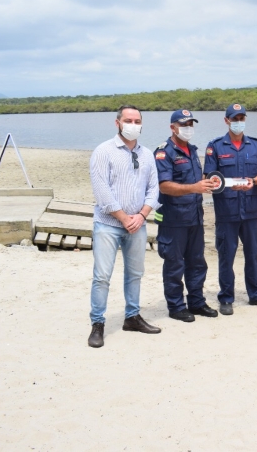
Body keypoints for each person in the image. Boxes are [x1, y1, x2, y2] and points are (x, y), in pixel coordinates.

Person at [88, 105, 161, 348]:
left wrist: (141, 215)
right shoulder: (103, 151)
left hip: (137, 224)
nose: (133, 124)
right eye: (128, 119)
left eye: (137, 120)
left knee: (135, 274)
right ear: (117, 122)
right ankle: (97, 323)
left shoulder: (147, 154)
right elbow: (102, 191)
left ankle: (132, 317)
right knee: (102, 276)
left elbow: (154, 189)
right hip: (108, 224)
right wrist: (123, 217)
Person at [203, 104, 257, 315]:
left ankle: (256, 295)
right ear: (226, 120)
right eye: (234, 118)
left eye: (242, 117)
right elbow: (209, 177)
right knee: (226, 256)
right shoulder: (215, 146)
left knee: (253, 255)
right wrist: (217, 183)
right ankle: (226, 297)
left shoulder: (255, 145)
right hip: (227, 211)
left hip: (251, 211)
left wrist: (253, 180)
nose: (238, 122)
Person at [154, 109, 218, 322]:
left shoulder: (192, 150)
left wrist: (207, 183)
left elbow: (194, 181)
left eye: (191, 124)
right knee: (174, 264)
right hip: (174, 220)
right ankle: (176, 306)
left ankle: (197, 303)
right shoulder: (164, 153)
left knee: (197, 262)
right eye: (183, 125)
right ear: (173, 127)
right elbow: (165, 186)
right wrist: (194, 187)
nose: (188, 129)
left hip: (195, 217)